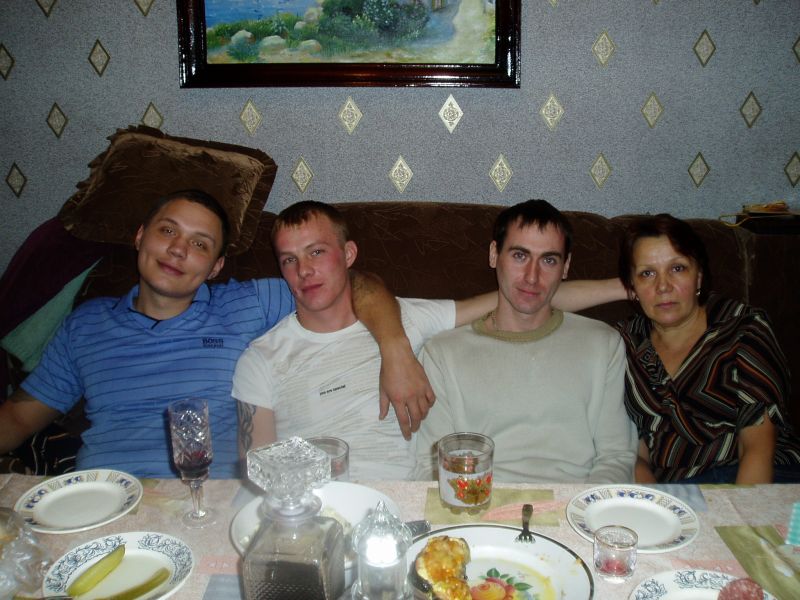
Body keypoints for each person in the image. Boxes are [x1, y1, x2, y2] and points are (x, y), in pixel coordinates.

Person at [0, 190, 432, 479]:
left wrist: (395, 349)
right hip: (104, 497)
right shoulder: (87, 323)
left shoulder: (248, 304)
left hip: (208, 500)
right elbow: (19, 418)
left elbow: (353, 284)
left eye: (200, 244)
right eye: (168, 230)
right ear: (140, 237)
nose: (178, 249)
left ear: (216, 267)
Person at [232, 201, 623, 480]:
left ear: (349, 254)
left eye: (317, 252)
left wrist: (634, 286)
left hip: (406, 504)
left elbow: (526, 298)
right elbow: (260, 475)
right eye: (289, 259)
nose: (304, 270)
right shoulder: (261, 359)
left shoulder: (414, 318)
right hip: (318, 505)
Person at [412, 199, 638, 483]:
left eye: (549, 260)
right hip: (480, 501)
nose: (532, 277)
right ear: (494, 254)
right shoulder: (442, 353)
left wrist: (584, 506)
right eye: (520, 256)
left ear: (566, 266)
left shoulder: (603, 344)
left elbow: (616, 456)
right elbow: (432, 467)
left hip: (576, 501)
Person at [617, 213, 800, 484]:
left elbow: (758, 446)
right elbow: (635, 452)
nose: (663, 286)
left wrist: (742, 511)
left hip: (754, 478)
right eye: (647, 273)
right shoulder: (624, 343)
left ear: (699, 276)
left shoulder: (743, 328)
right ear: (631, 286)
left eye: (678, 268)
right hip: (677, 487)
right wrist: (656, 501)